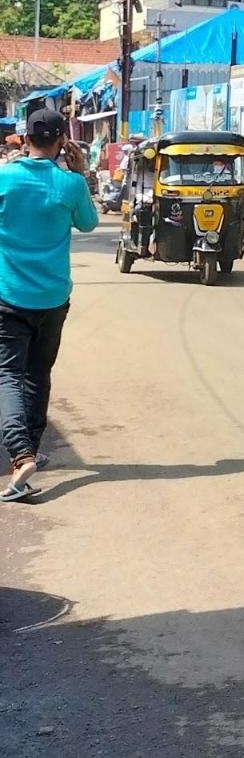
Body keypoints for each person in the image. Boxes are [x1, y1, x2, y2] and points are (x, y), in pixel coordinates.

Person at [0, 111, 98, 502]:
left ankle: (21, 453)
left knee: (8, 374)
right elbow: (89, 224)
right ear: (62, 142)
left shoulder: (5, 179)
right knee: (38, 373)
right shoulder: (70, 184)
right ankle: (33, 448)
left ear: (25, 138)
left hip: (8, 295)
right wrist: (82, 173)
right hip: (54, 298)